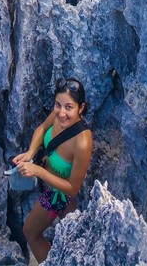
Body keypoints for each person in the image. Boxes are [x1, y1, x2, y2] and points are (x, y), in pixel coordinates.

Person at [13, 78, 93, 264]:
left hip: (58, 197)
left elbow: (73, 188)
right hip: (49, 187)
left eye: (68, 107)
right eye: (58, 105)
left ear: (81, 108)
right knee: (69, 242)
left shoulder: (82, 142)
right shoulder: (57, 116)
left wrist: (37, 171)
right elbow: (42, 128)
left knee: (30, 233)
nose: (61, 113)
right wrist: (30, 152)